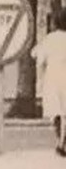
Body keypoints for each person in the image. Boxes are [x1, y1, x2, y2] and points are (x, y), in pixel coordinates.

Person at [31, 8, 66, 155]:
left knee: (56, 112)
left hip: (52, 78)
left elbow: (36, 55)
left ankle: (61, 140)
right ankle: (62, 142)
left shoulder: (50, 39)